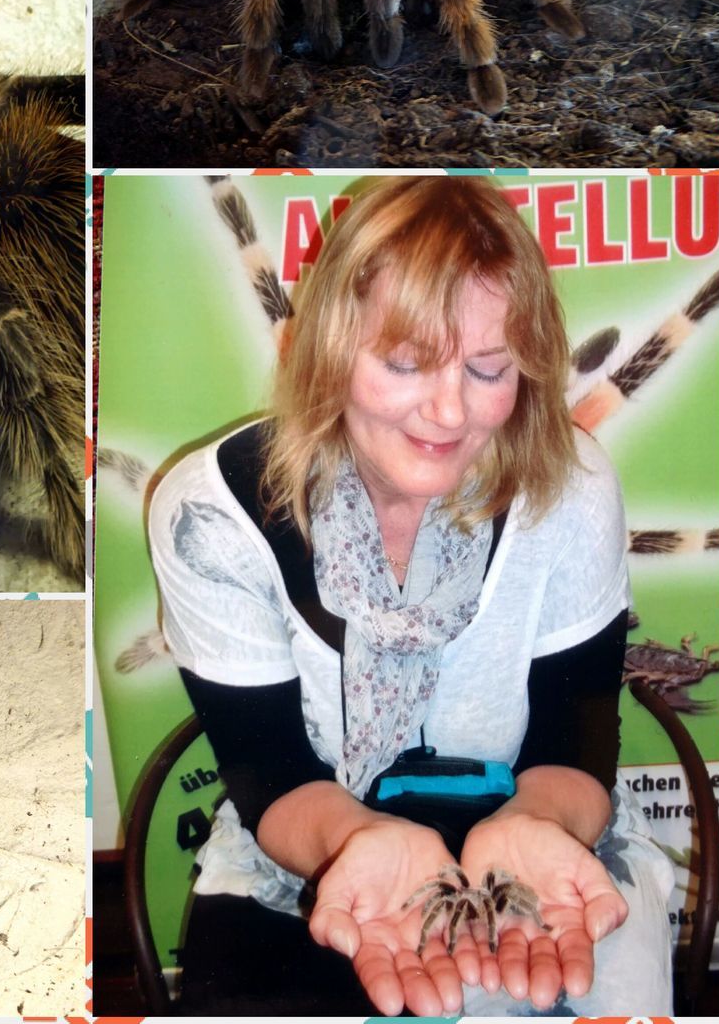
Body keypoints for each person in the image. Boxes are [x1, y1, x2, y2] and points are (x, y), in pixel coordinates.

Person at [148, 177, 674, 1017]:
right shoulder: (209, 517)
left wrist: (533, 824)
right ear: (329, 346)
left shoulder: (569, 485)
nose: (449, 410)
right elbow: (271, 772)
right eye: (404, 362)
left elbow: (577, 742)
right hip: (312, 834)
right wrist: (357, 839)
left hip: (532, 817)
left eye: (488, 369)